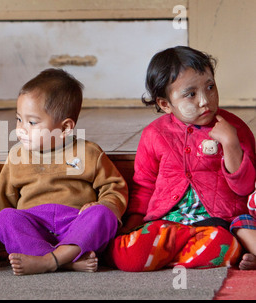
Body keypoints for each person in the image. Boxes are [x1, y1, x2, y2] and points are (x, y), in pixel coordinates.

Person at [106, 46, 256, 272]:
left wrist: (231, 144)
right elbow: (145, 186)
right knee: (128, 255)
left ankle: (168, 254)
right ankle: (181, 252)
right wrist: (131, 227)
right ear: (165, 104)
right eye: (191, 94)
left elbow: (245, 188)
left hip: (215, 223)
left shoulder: (234, 129)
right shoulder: (154, 135)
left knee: (221, 243)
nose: (205, 100)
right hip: (166, 223)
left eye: (210, 87)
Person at [0, 68, 128, 275]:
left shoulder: (89, 152)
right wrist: (0, 243)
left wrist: (104, 204)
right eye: (18, 119)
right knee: (5, 217)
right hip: (35, 227)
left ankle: (49, 260)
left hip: (75, 226)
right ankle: (65, 261)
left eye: (32, 122)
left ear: (65, 128)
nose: (21, 128)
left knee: (103, 214)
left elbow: (114, 187)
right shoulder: (16, 156)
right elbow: (5, 198)